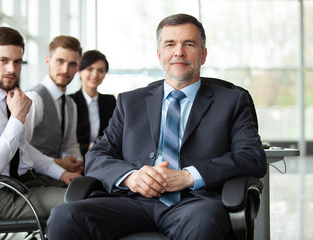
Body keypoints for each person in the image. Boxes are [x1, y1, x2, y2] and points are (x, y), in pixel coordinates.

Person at [46, 14, 267, 239]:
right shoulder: (130, 102)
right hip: (132, 202)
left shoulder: (231, 101)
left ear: (204, 54)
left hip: (194, 204)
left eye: (189, 44)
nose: (179, 52)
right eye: (170, 44)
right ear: (159, 54)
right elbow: (97, 155)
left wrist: (189, 176)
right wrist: (130, 177)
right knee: (65, 217)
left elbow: (252, 157)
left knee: (204, 222)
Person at [0, 27, 81, 219]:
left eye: (17, 62)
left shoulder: (9, 98)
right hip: (3, 197)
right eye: (3, 61)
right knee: (83, 204)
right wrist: (17, 118)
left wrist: (61, 173)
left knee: (90, 191)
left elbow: (25, 151)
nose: (12, 70)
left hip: (28, 184)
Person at [24, 36, 84, 173]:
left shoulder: (70, 104)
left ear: (77, 68)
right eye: (60, 61)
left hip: (59, 177)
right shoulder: (34, 98)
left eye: (72, 64)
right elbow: (19, 146)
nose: (65, 70)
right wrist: (57, 163)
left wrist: (77, 163)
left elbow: (71, 145)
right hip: (32, 177)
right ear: (48, 61)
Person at [70, 50, 116, 157]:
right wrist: (89, 146)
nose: (95, 75)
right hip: (77, 157)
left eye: (100, 70)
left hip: (104, 157)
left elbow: (114, 134)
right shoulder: (70, 101)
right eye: (90, 69)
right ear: (79, 71)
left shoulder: (110, 101)